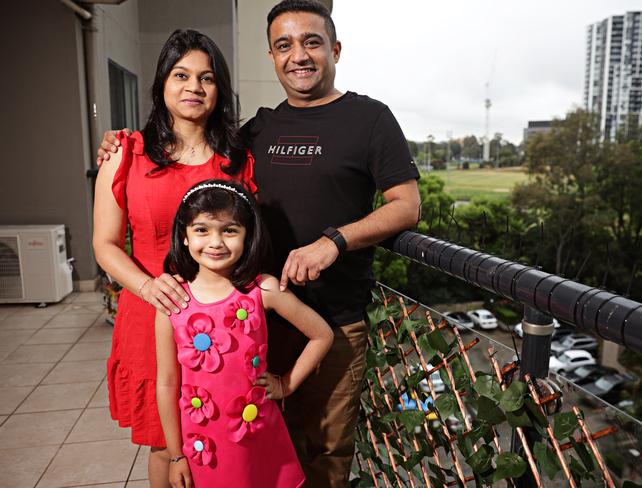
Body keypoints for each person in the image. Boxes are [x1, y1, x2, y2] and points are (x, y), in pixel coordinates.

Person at [98, 2, 421, 486]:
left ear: (335, 49)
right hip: (207, 318)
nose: (300, 55)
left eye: (312, 42)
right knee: (201, 444)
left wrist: (334, 241)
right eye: (284, 45)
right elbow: (113, 236)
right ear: (270, 56)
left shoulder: (358, 121)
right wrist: (117, 141)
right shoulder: (248, 135)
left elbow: (406, 205)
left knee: (306, 451)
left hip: (300, 316)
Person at [92, 30, 256, 487]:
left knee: (224, 433)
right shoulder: (126, 153)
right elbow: (104, 244)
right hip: (151, 315)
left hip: (223, 323)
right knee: (166, 446)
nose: (194, 88)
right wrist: (147, 286)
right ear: (162, 82)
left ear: (219, 89)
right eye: (181, 75)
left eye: (206, 78)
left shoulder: (237, 160)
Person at [156, 179, 333, 488]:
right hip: (203, 443)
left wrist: (286, 384)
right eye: (202, 230)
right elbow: (168, 383)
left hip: (256, 436)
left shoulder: (262, 289)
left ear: (247, 235)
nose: (215, 242)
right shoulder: (171, 302)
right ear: (183, 236)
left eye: (229, 230)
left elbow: (322, 335)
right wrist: (175, 456)